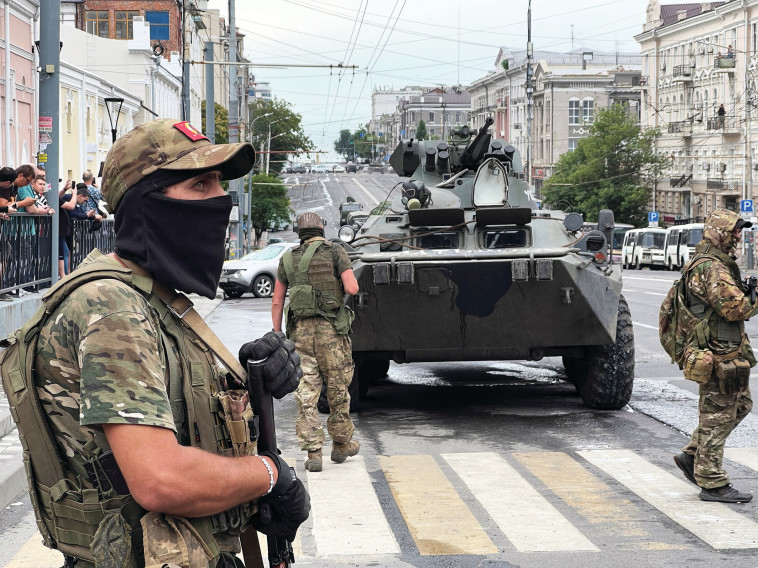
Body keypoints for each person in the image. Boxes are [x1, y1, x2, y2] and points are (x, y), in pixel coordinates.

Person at [18, 118, 309, 566]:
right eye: (199, 184)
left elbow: (184, 414)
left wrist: (247, 385)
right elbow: (161, 479)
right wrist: (269, 475)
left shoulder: (152, 298)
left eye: (218, 183)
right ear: (146, 206)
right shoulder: (112, 307)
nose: (220, 199)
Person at [673, 208, 756, 503]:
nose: (738, 235)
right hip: (717, 351)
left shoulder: (709, 262)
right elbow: (735, 309)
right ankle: (711, 482)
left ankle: (692, 455)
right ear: (719, 233)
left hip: (723, 348)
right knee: (718, 416)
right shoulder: (713, 268)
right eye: (734, 230)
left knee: (741, 405)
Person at [272, 211, 360, 472]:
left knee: (306, 394)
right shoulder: (335, 252)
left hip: (299, 334)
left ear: (299, 232)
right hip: (331, 333)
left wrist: (278, 334)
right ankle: (341, 445)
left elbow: (277, 301)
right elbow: (352, 288)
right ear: (321, 228)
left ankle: (314, 454)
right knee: (337, 389)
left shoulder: (287, 259)